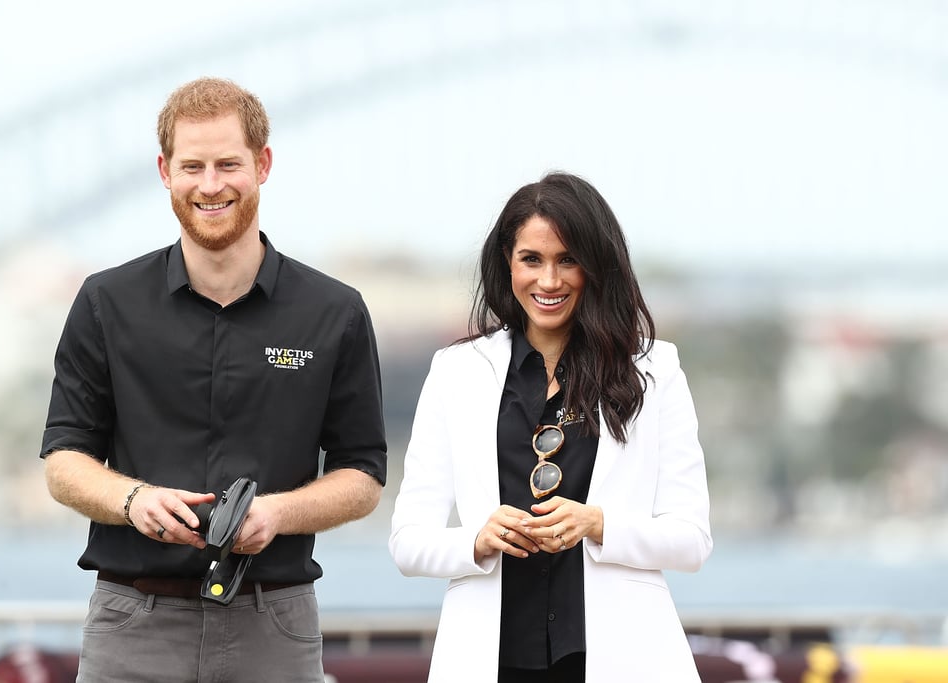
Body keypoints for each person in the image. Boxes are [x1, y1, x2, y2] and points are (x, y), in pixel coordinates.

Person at [40, 77, 387, 682]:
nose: (210, 184)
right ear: (164, 171)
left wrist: (276, 514)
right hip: (132, 625)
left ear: (263, 164)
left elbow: (363, 476)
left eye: (228, 164)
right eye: (192, 166)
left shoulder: (335, 312)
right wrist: (134, 501)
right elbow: (63, 461)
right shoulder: (105, 302)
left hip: (273, 625)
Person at [389, 172, 712, 682]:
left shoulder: (655, 370)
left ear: (596, 266)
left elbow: (692, 539)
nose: (549, 281)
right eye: (531, 260)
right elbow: (408, 541)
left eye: (568, 260)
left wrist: (597, 523)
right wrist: (476, 538)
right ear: (506, 264)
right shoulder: (456, 371)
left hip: (621, 659)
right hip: (488, 661)